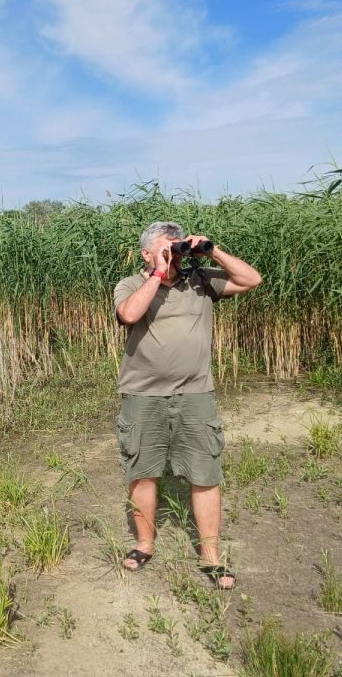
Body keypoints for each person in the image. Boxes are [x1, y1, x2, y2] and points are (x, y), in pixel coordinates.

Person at [112, 221, 262, 589]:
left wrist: (212, 251)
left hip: (195, 393)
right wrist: (158, 273)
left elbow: (251, 280)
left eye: (178, 246)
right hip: (143, 394)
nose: (175, 251)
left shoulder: (200, 280)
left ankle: (210, 557)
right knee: (142, 470)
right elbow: (129, 314)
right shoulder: (131, 284)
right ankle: (144, 544)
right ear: (146, 253)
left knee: (204, 473)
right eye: (166, 247)